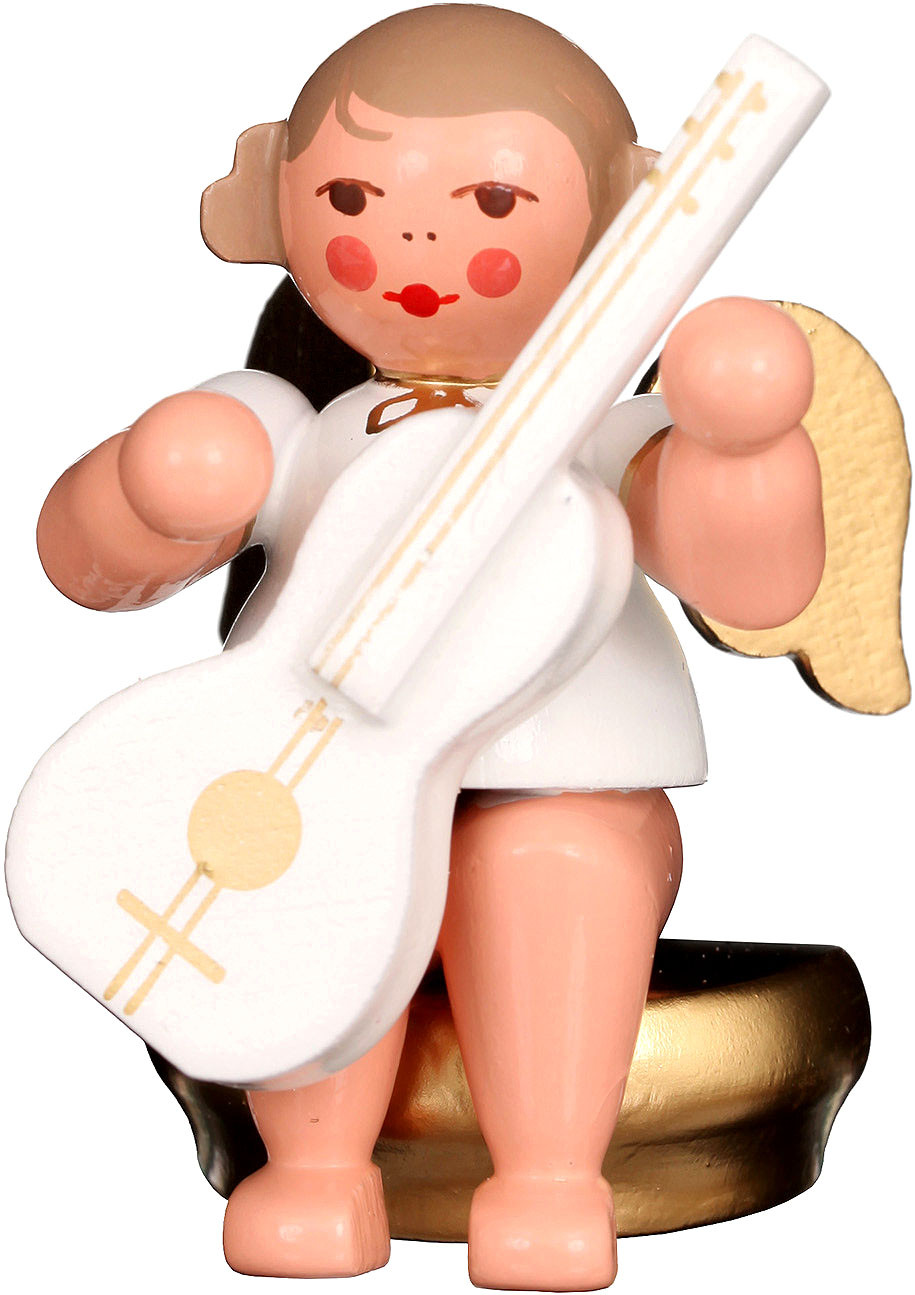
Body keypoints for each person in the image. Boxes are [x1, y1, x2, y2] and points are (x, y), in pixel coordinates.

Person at [34, 7, 824, 1289]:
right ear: (272, 202)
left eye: (494, 202)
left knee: (548, 864)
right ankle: (315, 1167)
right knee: (303, 893)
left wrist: (744, 447)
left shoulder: (602, 435)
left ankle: (552, 1176)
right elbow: (84, 564)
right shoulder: (299, 423)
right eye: (353, 195)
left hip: (563, 782)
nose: (416, 243)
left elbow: (756, 576)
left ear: (630, 221)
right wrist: (153, 489)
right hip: (304, 769)